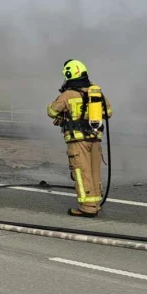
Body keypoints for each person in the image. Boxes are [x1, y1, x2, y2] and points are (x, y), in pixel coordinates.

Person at [47, 59, 112, 217]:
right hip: (96, 139)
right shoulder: (96, 93)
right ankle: (95, 203)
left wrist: (67, 113)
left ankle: (87, 208)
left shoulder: (68, 94)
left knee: (82, 173)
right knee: (94, 172)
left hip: (78, 142)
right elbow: (108, 112)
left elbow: (51, 112)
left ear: (70, 75)